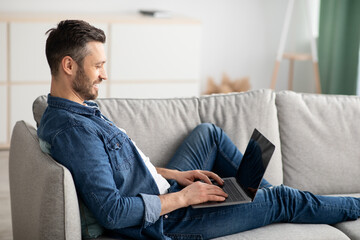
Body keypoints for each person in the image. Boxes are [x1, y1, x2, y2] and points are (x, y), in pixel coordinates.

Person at [37, 20, 360, 240]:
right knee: (286, 199)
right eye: (98, 65)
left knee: (209, 133)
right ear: (69, 65)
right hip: (167, 220)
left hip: (161, 188)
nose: (104, 75)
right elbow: (113, 212)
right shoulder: (73, 130)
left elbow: (117, 167)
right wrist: (184, 197)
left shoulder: (78, 111)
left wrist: (174, 174)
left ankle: (258, 197)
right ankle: (276, 202)